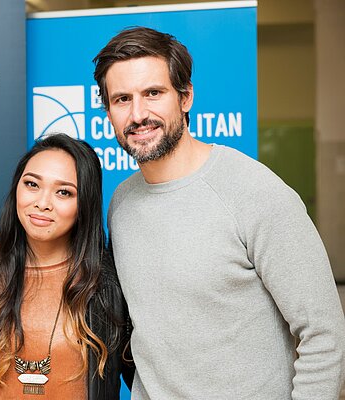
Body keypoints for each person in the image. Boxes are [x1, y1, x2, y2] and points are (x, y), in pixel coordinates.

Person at [93, 27, 345, 399]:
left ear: (185, 97)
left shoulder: (255, 193)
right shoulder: (122, 203)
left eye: (153, 93)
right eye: (122, 99)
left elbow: (324, 333)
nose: (138, 114)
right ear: (109, 111)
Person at [0, 133, 133, 399]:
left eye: (63, 192)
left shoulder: (108, 287)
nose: (43, 203)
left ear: (84, 204)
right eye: (32, 184)